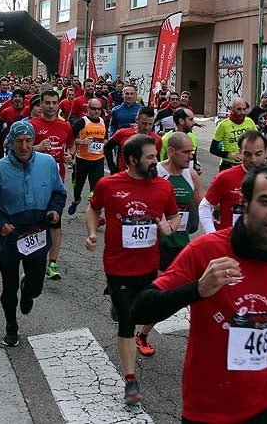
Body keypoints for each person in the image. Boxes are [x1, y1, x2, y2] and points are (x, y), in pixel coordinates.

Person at [131, 162, 267, 424]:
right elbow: (140, 309)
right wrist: (197, 290)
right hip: (208, 411)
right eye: (266, 201)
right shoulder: (206, 251)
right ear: (245, 202)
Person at [85, 135, 180, 405]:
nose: (155, 162)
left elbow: (173, 216)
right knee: (127, 321)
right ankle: (130, 380)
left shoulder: (163, 188)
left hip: (150, 266)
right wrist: (92, 233)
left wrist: (170, 227)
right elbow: (93, 209)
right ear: (132, 160)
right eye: (150, 157)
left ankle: (119, 305)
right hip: (118, 266)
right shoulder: (109, 184)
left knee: (148, 311)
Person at [0, 122, 67, 347]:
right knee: (9, 288)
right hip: (11, 236)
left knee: (35, 287)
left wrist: (54, 210)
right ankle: (11, 327)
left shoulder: (47, 163)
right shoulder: (0, 170)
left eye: (28, 141)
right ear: (11, 143)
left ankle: (28, 291)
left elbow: (58, 192)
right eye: (19, 141)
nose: (25, 146)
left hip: (38, 232)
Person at [29, 89, 75, 281]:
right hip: (34, 182)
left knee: (55, 221)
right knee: (35, 223)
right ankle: (32, 259)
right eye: (47, 103)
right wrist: (36, 148)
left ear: (58, 104)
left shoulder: (64, 126)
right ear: (41, 104)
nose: (50, 106)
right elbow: (18, 150)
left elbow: (72, 145)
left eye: (54, 103)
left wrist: (69, 155)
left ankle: (52, 263)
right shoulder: (32, 125)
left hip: (57, 182)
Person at [199, 131, 267, 234]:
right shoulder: (225, 177)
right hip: (230, 242)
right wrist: (211, 234)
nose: (253, 159)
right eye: (247, 154)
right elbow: (205, 206)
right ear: (240, 152)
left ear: (266, 152)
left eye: (258, 154)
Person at [157, 132, 204, 272]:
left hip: (181, 243)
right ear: (171, 152)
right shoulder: (156, 173)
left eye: (192, 152)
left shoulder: (191, 175)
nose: (191, 157)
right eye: (186, 152)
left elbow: (201, 206)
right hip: (158, 244)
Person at [69, 98, 108, 215]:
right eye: (93, 109)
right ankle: (76, 200)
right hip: (82, 160)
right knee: (78, 186)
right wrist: (81, 142)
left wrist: (105, 142)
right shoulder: (81, 122)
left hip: (98, 160)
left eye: (99, 109)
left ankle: (95, 212)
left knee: (96, 188)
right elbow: (70, 139)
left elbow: (106, 138)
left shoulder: (103, 122)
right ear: (88, 109)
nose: (96, 111)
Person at [106, 106, 163, 173]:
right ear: (136, 120)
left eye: (150, 124)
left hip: (144, 177)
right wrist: (112, 168)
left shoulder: (157, 140)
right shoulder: (122, 133)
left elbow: (156, 161)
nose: (147, 127)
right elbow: (107, 148)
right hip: (123, 176)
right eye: (144, 123)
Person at [211, 98, 257, 171]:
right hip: (228, 165)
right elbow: (213, 149)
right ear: (232, 109)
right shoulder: (223, 125)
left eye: (244, 109)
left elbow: (257, 141)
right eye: (239, 109)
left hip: (247, 165)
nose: (242, 112)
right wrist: (230, 155)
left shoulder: (249, 121)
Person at [159, 107, 201, 175]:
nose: (194, 123)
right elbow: (159, 162)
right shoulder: (165, 139)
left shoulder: (193, 138)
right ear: (181, 121)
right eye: (191, 120)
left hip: (188, 178)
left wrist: (197, 166)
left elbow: (193, 158)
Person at [0, 89, 27, 158]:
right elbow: (0, 121)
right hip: (11, 137)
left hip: (25, 137)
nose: (17, 98)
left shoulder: (27, 110)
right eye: (15, 96)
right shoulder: (6, 111)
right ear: (12, 98)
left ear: (23, 99)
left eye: (20, 97)